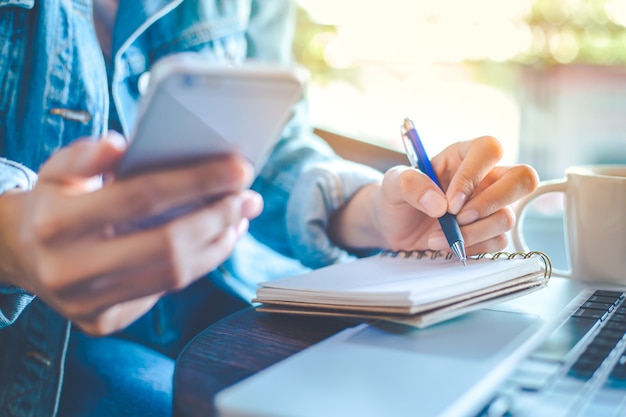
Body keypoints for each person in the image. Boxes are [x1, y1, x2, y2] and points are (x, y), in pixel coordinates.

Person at [0, 0, 539, 416]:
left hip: (226, 307)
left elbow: (270, 149)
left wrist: (373, 210)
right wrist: (12, 241)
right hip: (37, 349)